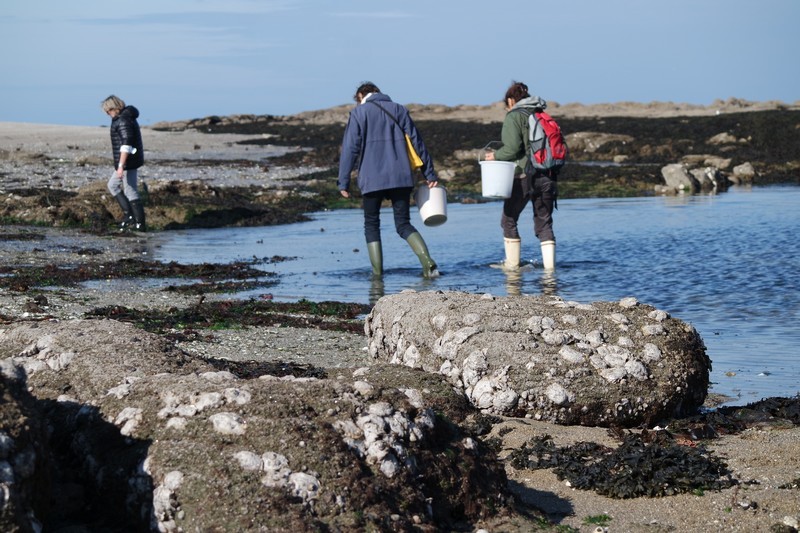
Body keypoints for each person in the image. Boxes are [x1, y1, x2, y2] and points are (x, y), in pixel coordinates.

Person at [338, 82, 439, 278]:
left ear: (361, 95)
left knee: (371, 225)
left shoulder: (359, 113)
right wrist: (429, 174)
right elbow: (417, 141)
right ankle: (428, 263)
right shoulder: (399, 109)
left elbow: (350, 149)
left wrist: (343, 181)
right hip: (401, 177)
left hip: (371, 178)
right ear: (377, 92)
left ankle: (377, 276)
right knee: (403, 224)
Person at [485, 81, 557, 270]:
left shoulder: (514, 117)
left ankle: (512, 267)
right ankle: (550, 272)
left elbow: (511, 149)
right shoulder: (540, 114)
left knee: (508, 219)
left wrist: (495, 156)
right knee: (544, 222)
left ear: (510, 100)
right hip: (547, 175)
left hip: (524, 176)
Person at [101, 95, 146, 231]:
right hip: (129, 160)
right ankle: (131, 217)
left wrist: (121, 166)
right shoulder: (125, 117)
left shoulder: (123, 120)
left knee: (129, 190)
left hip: (127, 161)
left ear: (114, 108)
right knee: (116, 186)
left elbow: (126, 144)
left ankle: (139, 224)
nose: (108, 114)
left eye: (108, 111)